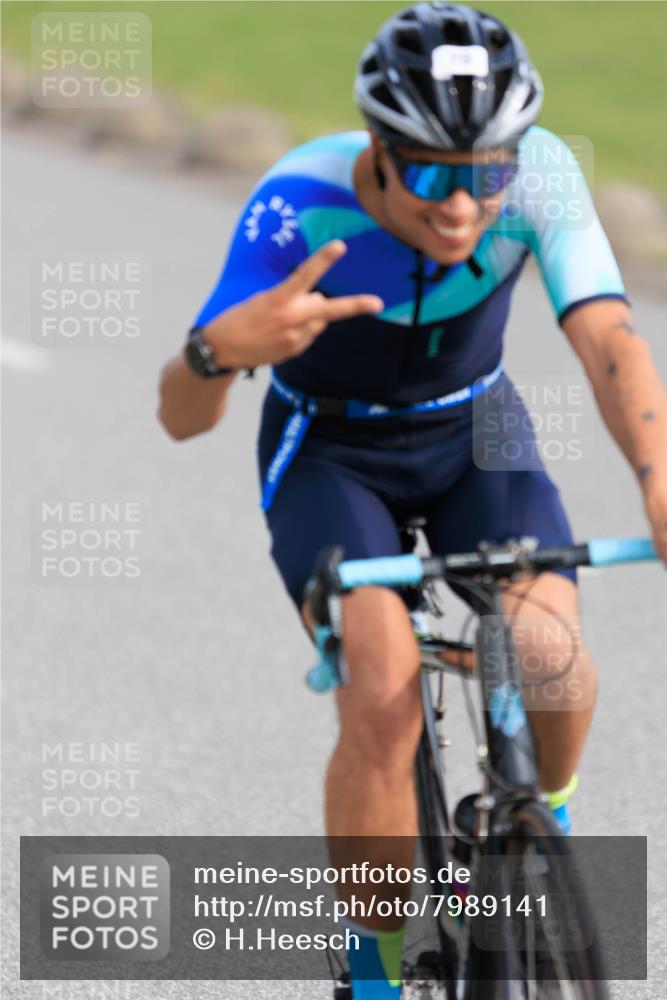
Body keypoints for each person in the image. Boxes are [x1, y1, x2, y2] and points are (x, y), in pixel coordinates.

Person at [158, 3, 667, 996]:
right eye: (433, 173)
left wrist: (657, 479)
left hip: (475, 428)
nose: (464, 207)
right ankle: (373, 966)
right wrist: (220, 353)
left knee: (553, 652)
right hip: (330, 446)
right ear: (379, 152)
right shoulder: (295, 203)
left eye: (487, 173)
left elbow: (609, 342)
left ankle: (535, 832)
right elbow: (179, 416)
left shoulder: (542, 175)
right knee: (384, 691)